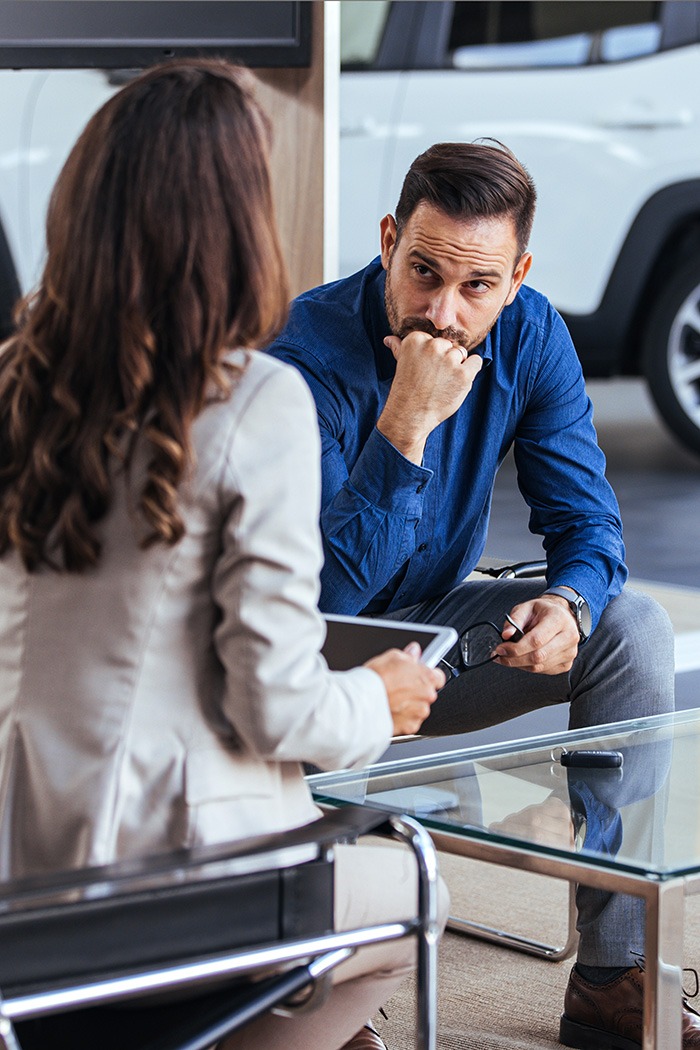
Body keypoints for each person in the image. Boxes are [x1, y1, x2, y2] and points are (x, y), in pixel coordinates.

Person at [0, 59, 448, 1050]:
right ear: (235, 221)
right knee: (417, 887)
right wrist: (378, 699)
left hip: (18, 877)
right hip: (163, 891)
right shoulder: (252, 401)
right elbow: (275, 707)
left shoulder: (15, 382)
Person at [266, 141, 700, 1047]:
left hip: (436, 638)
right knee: (276, 677)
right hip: (310, 658)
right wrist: (406, 425)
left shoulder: (530, 333)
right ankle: (318, 982)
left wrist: (570, 604)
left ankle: (612, 978)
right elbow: (314, 602)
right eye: (423, 271)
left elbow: (589, 524)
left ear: (518, 277)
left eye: (478, 286)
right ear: (388, 241)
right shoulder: (303, 358)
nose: (443, 312)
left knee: (632, 628)